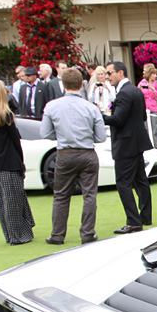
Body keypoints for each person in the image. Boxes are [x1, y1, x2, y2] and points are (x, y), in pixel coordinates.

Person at [40, 67, 106, 246]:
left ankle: (57, 234)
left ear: (62, 84)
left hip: (65, 153)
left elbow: (45, 132)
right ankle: (87, 233)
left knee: (61, 195)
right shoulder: (91, 107)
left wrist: (62, 135)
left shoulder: (52, 106)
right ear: (81, 84)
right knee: (89, 195)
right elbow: (101, 136)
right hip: (87, 153)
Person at [0, 79, 34, 245]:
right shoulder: (6, 114)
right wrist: (21, 162)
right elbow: (15, 142)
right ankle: (17, 235)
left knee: (3, 200)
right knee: (13, 199)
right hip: (9, 161)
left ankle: (11, 234)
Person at [102, 61, 153, 233]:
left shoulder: (125, 93)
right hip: (135, 142)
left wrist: (97, 116)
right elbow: (141, 117)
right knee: (140, 180)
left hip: (126, 144)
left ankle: (133, 221)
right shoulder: (134, 90)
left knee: (123, 183)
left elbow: (117, 120)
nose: (108, 77)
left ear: (120, 73)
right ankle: (145, 216)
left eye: (110, 73)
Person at [137, 63, 157, 152]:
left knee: (156, 130)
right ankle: (148, 148)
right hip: (145, 108)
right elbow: (138, 94)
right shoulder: (142, 83)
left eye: (155, 74)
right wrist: (140, 88)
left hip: (155, 108)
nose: (155, 76)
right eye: (153, 74)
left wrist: (152, 89)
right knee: (146, 129)